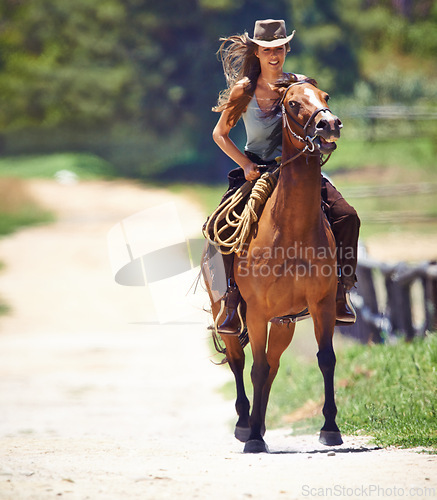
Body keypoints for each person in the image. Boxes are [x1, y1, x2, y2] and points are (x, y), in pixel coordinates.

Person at [210, 19, 360, 335]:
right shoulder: (245, 90)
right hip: (257, 170)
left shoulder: (300, 85)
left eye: (279, 48)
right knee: (222, 228)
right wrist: (245, 165)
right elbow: (220, 133)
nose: (274, 55)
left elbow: (315, 119)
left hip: (300, 171)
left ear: (287, 49)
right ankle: (232, 301)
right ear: (257, 52)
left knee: (347, 215)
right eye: (267, 50)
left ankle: (341, 291)